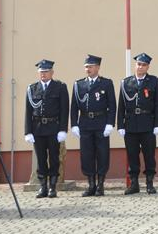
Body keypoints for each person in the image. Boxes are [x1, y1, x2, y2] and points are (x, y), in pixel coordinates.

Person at [117, 53, 158, 195]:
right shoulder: (126, 82)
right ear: (135, 65)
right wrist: (120, 125)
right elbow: (121, 106)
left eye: (143, 65)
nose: (140, 67)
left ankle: (149, 183)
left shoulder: (154, 82)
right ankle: (134, 184)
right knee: (132, 155)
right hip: (131, 124)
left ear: (148, 67)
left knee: (149, 154)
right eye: (138, 64)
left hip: (148, 123)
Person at [70, 54, 116, 197]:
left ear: (97, 67)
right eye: (86, 67)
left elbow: (112, 105)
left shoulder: (106, 83)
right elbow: (74, 106)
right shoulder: (79, 84)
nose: (87, 69)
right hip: (85, 123)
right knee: (87, 155)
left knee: (102, 154)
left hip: (101, 123)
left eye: (90, 66)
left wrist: (110, 123)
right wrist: (74, 124)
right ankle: (91, 185)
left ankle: (100, 185)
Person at [24, 59, 69, 198]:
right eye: (41, 72)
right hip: (38, 129)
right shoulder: (32, 88)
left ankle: (52, 187)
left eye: (46, 71)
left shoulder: (60, 87)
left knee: (54, 158)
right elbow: (28, 111)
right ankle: (43, 187)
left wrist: (63, 129)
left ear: (52, 72)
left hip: (53, 127)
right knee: (41, 159)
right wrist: (28, 131)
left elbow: (64, 110)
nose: (43, 74)